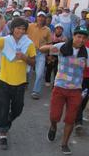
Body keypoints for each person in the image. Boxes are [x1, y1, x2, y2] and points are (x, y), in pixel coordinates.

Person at [0, 17, 36, 150]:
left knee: (18, 109)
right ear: (13, 28)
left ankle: (6, 121)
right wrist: (0, 28)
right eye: (18, 28)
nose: (20, 31)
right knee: (2, 108)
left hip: (20, 83)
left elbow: (33, 62)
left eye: (23, 29)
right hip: (4, 81)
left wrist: (25, 58)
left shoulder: (29, 43)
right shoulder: (5, 41)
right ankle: (3, 134)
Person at [40, 26, 89, 155]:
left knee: (70, 119)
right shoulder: (62, 46)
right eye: (79, 36)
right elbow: (42, 49)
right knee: (54, 115)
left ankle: (64, 144)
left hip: (76, 90)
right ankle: (53, 126)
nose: (81, 40)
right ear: (74, 36)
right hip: (59, 87)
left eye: (84, 37)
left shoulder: (87, 53)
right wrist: (51, 48)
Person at [27, 11, 52, 99]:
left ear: (45, 19)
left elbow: (50, 43)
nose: (41, 18)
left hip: (41, 53)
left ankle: (36, 91)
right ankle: (25, 84)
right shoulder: (30, 26)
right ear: (36, 18)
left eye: (43, 17)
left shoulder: (48, 30)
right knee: (27, 71)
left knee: (40, 73)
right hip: (30, 52)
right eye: (39, 16)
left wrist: (48, 55)